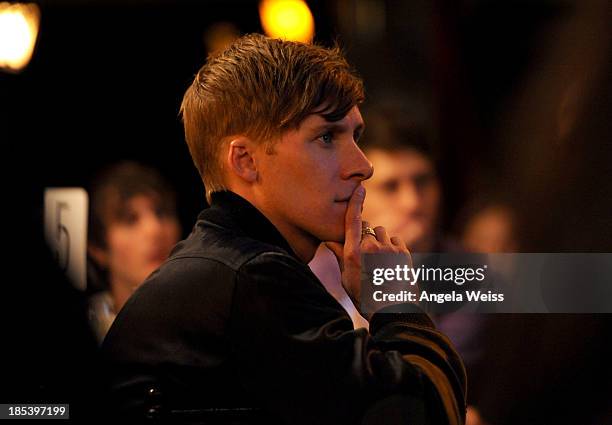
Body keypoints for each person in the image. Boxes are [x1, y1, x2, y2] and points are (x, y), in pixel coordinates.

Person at [101, 34, 466, 424]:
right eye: (327, 137)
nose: (363, 166)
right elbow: (427, 412)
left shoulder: (227, 266)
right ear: (245, 161)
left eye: (355, 136)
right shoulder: (253, 277)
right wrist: (397, 304)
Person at [87, 161, 181, 343]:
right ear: (98, 248)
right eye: (130, 219)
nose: (155, 229)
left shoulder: (207, 318)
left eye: (161, 213)